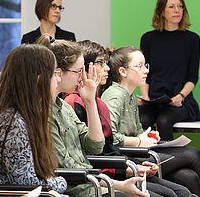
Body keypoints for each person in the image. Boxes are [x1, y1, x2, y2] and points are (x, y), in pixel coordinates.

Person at [64, 40, 193, 197]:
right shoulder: (79, 102)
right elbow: (94, 153)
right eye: (100, 63)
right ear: (84, 68)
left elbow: (107, 147)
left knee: (185, 184)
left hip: (119, 163)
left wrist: (141, 150)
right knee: (190, 157)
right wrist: (135, 153)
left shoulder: (105, 100)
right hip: (105, 171)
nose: (106, 68)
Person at [37, 35, 149, 197]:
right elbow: (70, 168)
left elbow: (95, 146)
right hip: (78, 189)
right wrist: (117, 184)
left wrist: (90, 102)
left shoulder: (64, 108)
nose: (82, 77)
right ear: (59, 73)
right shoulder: (45, 114)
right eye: (78, 71)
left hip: (93, 184)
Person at [0, 44, 67, 194]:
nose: (58, 80)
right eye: (55, 73)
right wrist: (61, 182)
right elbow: (28, 184)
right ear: (38, 79)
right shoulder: (12, 123)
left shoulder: (19, 115)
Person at [100, 46, 200, 196]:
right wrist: (139, 141)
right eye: (139, 66)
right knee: (192, 154)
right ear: (123, 71)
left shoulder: (130, 95)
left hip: (136, 153)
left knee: (188, 176)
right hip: (125, 158)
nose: (146, 70)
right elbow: (109, 138)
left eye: (145, 65)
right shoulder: (115, 96)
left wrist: (147, 137)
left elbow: (137, 132)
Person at [139, 0, 200, 141]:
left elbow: (192, 77)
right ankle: (142, 162)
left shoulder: (192, 40)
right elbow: (145, 74)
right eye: (172, 7)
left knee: (164, 121)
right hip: (154, 100)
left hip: (181, 101)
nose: (177, 10)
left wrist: (180, 96)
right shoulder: (148, 39)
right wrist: (145, 97)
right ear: (162, 11)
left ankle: (168, 162)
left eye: (180, 6)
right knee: (142, 121)